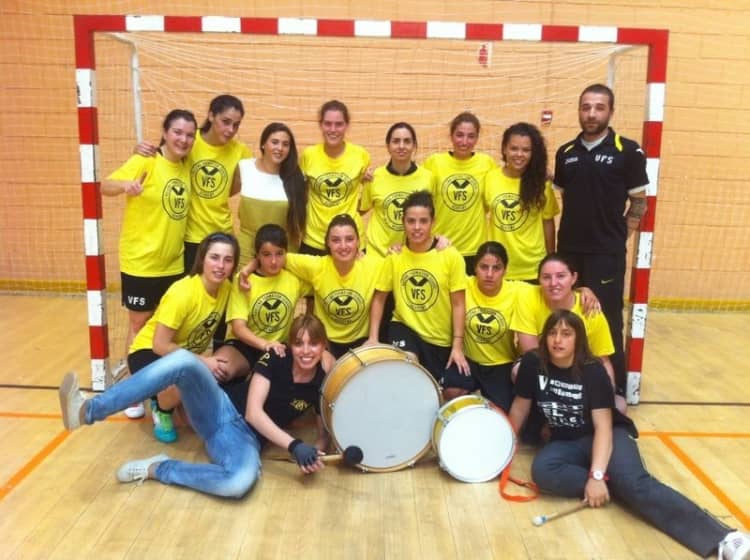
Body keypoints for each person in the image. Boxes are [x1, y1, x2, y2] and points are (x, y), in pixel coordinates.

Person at [508, 309, 750, 560]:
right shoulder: (533, 363)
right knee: (544, 471)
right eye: (552, 333)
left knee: (635, 483)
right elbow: (520, 407)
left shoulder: (592, 370)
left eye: (566, 334)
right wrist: (506, 447)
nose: (558, 340)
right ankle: (617, 486)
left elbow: (603, 426)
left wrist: (597, 476)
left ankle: (725, 538)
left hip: (608, 435)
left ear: (578, 339)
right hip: (565, 440)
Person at [58, 314, 333, 499]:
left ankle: (159, 469)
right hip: (219, 406)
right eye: (299, 343)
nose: (306, 351)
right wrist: (295, 446)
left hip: (242, 440)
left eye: (313, 344)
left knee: (238, 483)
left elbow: (323, 427)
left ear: (323, 346)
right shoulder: (277, 357)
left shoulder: (324, 376)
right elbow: (253, 412)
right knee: (183, 362)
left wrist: (315, 452)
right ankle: (88, 410)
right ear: (289, 345)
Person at [554, 83, 649, 399]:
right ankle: (569, 382)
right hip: (569, 253)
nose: (592, 114)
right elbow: (566, 197)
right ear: (579, 111)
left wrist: (619, 236)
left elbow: (639, 203)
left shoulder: (628, 151)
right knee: (566, 318)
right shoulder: (565, 153)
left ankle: (613, 388)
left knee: (605, 320)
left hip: (606, 256)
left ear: (611, 111)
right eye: (586, 107)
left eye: (599, 107)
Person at [103, 109, 197, 362]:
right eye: (177, 132)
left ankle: (161, 378)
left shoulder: (186, 165)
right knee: (139, 325)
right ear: (165, 132)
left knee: (167, 325)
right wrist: (125, 185)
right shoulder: (146, 161)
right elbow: (105, 186)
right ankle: (135, 382)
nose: (183, 139)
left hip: (173, 264)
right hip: (142, 263)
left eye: (189, 135)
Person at [126, 232, 238, 443]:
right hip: (147, 355)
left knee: (197, 421)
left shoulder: (226, 289)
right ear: (202, 258)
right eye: (214, 257)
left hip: (181, 356)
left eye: (228, 260)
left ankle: (171, 398)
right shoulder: (183, 292)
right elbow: (159, 345)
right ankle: (161, 408)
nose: (221, 266)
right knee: (190, 375)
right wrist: (203, 361)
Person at [367, 190, 470, 401]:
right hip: (404, 327)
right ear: (403, 222)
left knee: (454, 391)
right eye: (411, 221)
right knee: (409, 369)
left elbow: (459, 304)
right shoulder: (395, 257)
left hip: (439, 339)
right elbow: (379, 298)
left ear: (433, 222)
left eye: (423, 221)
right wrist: (373, 337)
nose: (416, 227)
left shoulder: (450, 256)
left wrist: (457, 346)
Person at [136, 95, 252, 271]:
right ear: (211, 115)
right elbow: (164, 157)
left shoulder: (240, 151)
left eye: (236, 125)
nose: (230, 130)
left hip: (223, 234)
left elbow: (234, 187)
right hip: (191, 237)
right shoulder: (189, 140)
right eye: (225, 122)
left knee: (224, 288)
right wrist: (139, 150)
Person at [511, 253, 623, 412]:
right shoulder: (527, 295)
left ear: (574, 277)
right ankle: (540, 411)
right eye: (546, 277)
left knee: (618, 406)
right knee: (520, 369)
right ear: (539, 280)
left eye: (561, 276)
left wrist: (607, 394)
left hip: (577, 369)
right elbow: (531, 353)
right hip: (541, 365)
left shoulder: (590, 309)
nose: (553, 283)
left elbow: (603, 360)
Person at [278, 214, 382, 359]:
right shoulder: (317, 266)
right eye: (336, 240)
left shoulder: (374, 266)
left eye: (349, 239)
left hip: (360, 342)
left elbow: (399, 262)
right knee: (329, 368)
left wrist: (396, 250)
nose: (343, 246)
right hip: (325, 341)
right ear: (328, 243)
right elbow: (275, 257)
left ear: (358, 242)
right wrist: (249, 269)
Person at [214, 224, 308, 382]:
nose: (273, 261)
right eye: (266, 254)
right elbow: (238, 328)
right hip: (245, 345)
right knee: (218, 369)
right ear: (257, 255)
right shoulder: (244, 281)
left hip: (279, 348)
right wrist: (265, 344)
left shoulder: (294, 279)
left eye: (279, 254)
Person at [460, 241, 532, 412]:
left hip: (501, 364)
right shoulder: (464, 284)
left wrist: (582, 291)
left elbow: (552, 289)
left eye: (496, 268)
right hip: (468, 360)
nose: (489, 274)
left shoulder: (517, 290)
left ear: (505, 270)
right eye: (484, 267)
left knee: (501, 412)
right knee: (451, 391)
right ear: (475, 268)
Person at [422, 111, 496, 274]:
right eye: (459, 135)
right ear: (451, 136)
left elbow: (506, 182)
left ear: (477, 138)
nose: (464, 141)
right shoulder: (435, 162)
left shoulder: (487, 163)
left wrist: (540, 174)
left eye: (471, 136)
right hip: (441, 245)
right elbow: (419, 198)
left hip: (474, 249)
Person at [484, 122, 559, 282]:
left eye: (526, 150)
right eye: (514, 148)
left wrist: (551, 259)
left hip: (533, 267)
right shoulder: (490, 178)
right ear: (504, 149)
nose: (519, 154)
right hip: (499, 267)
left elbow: (548, 222)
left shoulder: (541, 183)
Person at [299, 100, 371, 256]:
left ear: (346, 125)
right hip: (314, 239)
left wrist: (350, 211)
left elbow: (366, 202)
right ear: (320, 125)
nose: (333, 129)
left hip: (349, 240)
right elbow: (301, 196)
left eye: (339, 124)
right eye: (328, 124)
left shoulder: (360, 155)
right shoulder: (308, 155)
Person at [234, 122, 307, 266]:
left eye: (285, 144)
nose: (280, 148)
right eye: (274, 142)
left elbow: (299, 223)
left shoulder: (297, 177)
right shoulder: (244, 167)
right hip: (246, 253)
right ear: (263, 144)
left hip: (282, 255)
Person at [359, 122, 436, 258]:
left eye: (407, 141)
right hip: (377, 254)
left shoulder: (428, 177)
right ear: (388, 146)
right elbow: (360, 209)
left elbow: (431, 216)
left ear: (414, 146)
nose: (401, 146)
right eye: (396, 141)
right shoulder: (374, 177)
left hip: (410, 255)